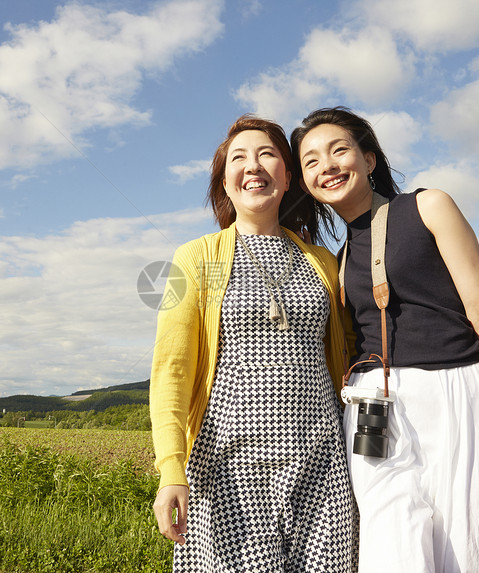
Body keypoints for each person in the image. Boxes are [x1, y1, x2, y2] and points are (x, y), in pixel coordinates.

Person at [290, 107, 479, 573]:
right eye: (310, 160)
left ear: (368, 160)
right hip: (372, 406)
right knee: (390, 551)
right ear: (304, 181)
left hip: (458, 394)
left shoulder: (429, 206)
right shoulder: (339, 259)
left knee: (469, 549)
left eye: (338, 150)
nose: (326, 165)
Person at [150, 114, 358, 572]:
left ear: (288, 176)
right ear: (225, 181)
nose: (254, 166)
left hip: (322, 466)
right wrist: (171, 470)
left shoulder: (322, 261)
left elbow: (347, 352)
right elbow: (172, 372)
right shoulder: (195, 258)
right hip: (227, 471)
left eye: (267, 155)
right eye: (239, 158)